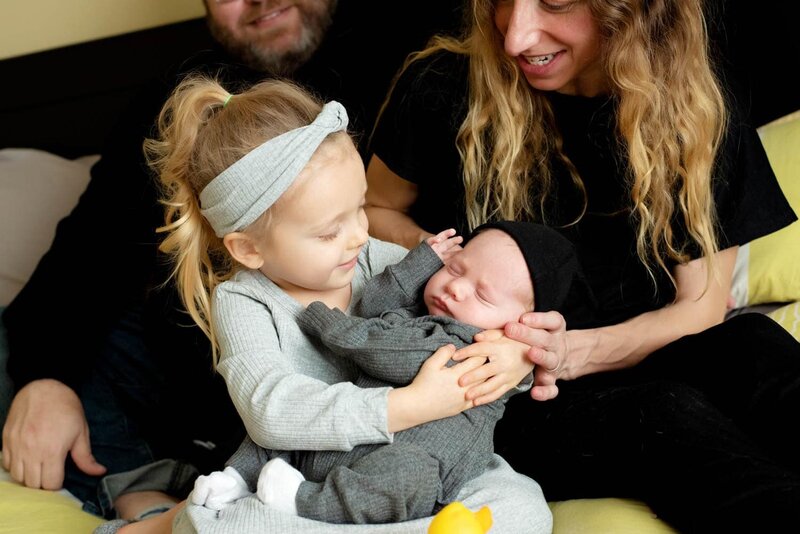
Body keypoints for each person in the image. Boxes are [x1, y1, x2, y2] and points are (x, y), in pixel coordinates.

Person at [0, 0, 464, 523]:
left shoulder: (417, 65)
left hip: (322, 400)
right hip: (172, 379)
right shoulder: (174, 99)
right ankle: (142, 487)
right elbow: (84, 255)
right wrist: (46, 377)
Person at [364, 0, 800, 532]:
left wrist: (559, 352)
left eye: (555, 3)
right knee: (664, 416)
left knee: (751, 345)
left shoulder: (689, 115)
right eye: (503, 2)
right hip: (498, 399)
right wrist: (445, 257)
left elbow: (700, 309)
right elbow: (373, 209)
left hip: (618, 353)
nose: (514, 37)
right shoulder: (443, 84)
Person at [137, 75, 551, 534]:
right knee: (227, 526)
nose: (358, 234)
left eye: (359, 209)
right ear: (249, 249)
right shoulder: (246, 302)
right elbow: (271, 411)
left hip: (420, 466)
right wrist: (409, 404)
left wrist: (517, 355)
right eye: (329, 231)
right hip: (305, 478)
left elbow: (473, 313)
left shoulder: (383, 261)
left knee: (523, 506)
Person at [191, 219, 596, 524]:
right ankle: (238, 477)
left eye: (483, 295)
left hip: (406, 462)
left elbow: (385, 349)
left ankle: (305, 502)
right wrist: (423, 261)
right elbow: (374, 303)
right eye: (455, 270)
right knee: (280, 432)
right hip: (337, 436)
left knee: (416, 481)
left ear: (521, 322)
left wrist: (325, 322)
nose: (456, 288)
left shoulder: (468, 343)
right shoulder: (424, 308)